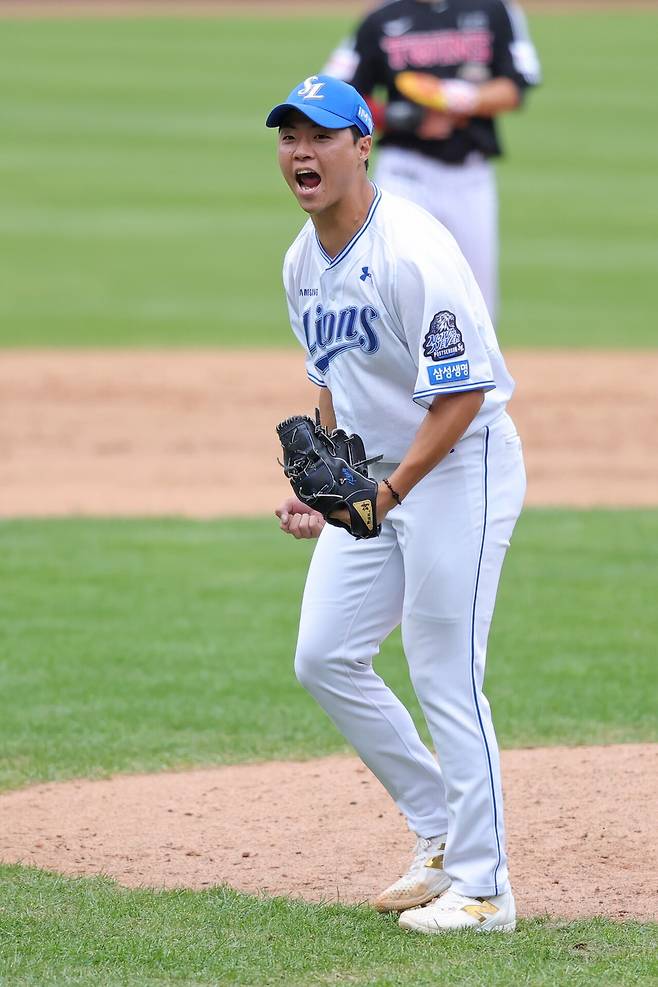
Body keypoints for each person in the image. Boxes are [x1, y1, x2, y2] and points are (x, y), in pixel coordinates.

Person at [267, 74, 526, 934]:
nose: (302, 153)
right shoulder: (302, 262)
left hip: (460, 467)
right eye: (289, 137)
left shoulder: (413, 248)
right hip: (379, 478)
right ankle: (442, 832)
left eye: (322, 137)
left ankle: (487, 889)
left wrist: (389, 489)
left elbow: (462, 396)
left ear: (361, 145)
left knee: (444, 666)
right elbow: (333, 384)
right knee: (324, 654)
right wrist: (326, 490)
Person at [322, 0, 541, 321]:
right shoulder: (382, 17)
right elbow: (336, 94)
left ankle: (476, 372)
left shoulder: (495, 10)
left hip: (471, 177)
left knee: (477, 303)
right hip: (403, 175)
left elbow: (516, 86)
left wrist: (464, 99)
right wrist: (397, 118)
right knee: (389, 290)